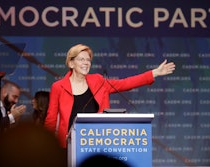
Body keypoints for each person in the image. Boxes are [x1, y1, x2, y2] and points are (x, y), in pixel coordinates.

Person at [44, 43, 176, 148]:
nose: (86, 63)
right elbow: (50, 120)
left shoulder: (98, 81)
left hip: (96, 142)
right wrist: (48, 146)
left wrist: (154, 73)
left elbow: (125, 83)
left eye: (88, 60)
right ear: (71, 63)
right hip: (68, 145)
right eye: (81, 59)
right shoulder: (58, 87)